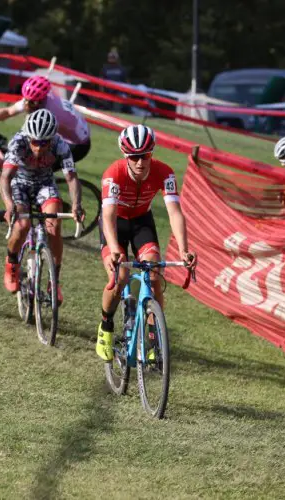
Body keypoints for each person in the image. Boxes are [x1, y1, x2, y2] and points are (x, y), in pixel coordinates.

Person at [95, 125, 196, 361]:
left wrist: (184, 249)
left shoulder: (164, 172)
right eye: (135, 157)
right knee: (119, 277)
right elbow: (108, 216)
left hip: (141, 222)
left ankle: (152, 337)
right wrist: (113, 249)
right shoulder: (113, 174)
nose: (141, 163)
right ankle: (106, 327)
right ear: (126, 156)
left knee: (153, 274)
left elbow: (174, 212)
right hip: (115, 224)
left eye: (146, 156)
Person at [0, 109, 84, 301]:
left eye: (44, 142)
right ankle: (12, 264)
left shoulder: (61, 145)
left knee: (54, 227)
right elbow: (5, 178)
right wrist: (9, 205)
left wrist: (76, 205)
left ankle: (54, 280)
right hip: (19, 183)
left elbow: (71, 178)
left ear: (52, 138)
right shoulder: (18, 142)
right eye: (35, 141)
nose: (38, 147)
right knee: (22, 226)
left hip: (45, 184)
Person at [0, 75, 91, 165]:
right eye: (25, 99)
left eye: (30, 102)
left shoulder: (52, 111)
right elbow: (8, 111)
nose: (26, 104)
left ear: (40, 100)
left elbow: (44, 138)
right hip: (63, 134)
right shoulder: (33, 99)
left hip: (76, 145)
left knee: (34, 171)